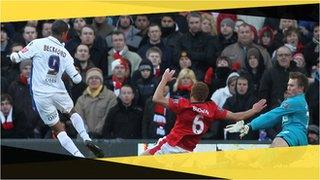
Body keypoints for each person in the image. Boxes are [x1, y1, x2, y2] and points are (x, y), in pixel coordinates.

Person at [9, 20, 104, 158]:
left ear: (51, 31)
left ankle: (78, 155)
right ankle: (86, 138)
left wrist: (13, 56)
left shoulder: (37, 43)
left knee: (58, 129)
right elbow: (77, 79)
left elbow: (16, 57)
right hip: (58, 90)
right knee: (72, 112)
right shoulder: (65, 53)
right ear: (65, 34)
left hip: (41, 95)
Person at [141, 68, 266, 155]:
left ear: (191, 93)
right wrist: (253, 110)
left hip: (171, 145)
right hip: (188, 152)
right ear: (206, 96)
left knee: (141, 161)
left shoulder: (184, 104)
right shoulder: (212, 109)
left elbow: (156, 98)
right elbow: (237, 116)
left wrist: (164, 79)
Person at [226, 72, 309, 147]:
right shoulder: (300, 101)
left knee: (273, 152)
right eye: (288, 85)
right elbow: (273, 119)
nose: (288, 88)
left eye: (292, 85)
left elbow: (273, 115)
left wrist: (250, 125)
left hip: (292, 134)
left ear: (301, 88)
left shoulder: (293, 102)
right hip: (301, 138)